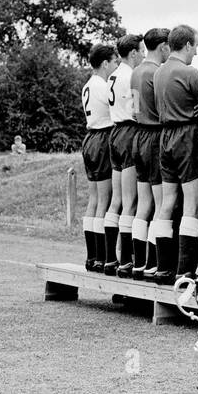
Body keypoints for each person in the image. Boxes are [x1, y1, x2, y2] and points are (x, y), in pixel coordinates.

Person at [153, 24, 198, 284]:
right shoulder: (189, 72)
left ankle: (163, 267)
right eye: (195, 46)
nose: (196, 51)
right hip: (188, 136)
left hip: (165, 137)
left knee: (167, 202)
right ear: (187, 45)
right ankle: (185, 269)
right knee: (193, 203)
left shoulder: (159, 71)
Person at [129, 27, 170, 281]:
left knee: (144, 204)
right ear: (163, 46)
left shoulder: (135, 71)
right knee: (160, 203)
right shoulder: (155, 72)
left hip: (138, 134)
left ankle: (138, 262)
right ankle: (154, 262)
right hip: (154, 135)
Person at [102, 33, 143, 275]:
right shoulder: (131, 75)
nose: (144, 55)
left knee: (116, 200)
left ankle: (110, 258)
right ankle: (126, 260)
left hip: (115, 132)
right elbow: (137, 111)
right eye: (142, 51)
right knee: (130, 201)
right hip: (128, 132)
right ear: (134, 53)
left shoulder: (113, 74)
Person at [80, 44, 118, 267]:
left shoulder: (88, 85)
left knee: (94, 199)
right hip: (103, 137)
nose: (115, 67)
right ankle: (102, 256)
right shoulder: (103, 86)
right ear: (105, 63)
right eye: (114, 62)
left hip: (90, 137)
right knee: (104, 199)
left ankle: (91, 256)